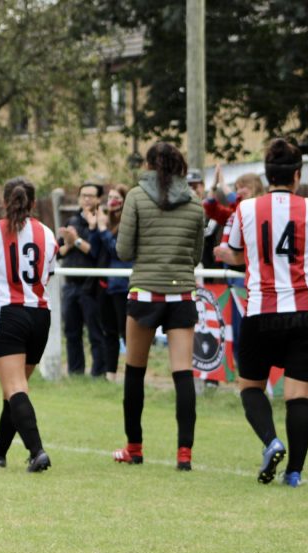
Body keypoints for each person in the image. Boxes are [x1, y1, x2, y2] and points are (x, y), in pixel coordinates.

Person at [215, 138, 308, 487]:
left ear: (268, 174)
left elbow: (231, 254)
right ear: (297, 176)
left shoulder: (245, 209)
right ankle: (294, 472)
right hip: (305, 311)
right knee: (298, 396)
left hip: (262, 310)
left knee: (250, 388)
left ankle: (271, 441)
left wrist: (224, 252)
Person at [113, 142, 204, 471]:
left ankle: (134, 448)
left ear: (150, 165)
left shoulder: (136, 197)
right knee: (182, 374)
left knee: (135, 372)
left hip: (145, 292)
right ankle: (184, 454)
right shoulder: (195, 202)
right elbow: (196, 256)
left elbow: (123, 251)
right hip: (181, 295)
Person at [0, 177, 57, 474]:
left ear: (3, 202)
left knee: (15, 387)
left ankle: (37, 451)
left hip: (6, 312)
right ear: (33, 203)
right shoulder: (47, 234)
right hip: (39, 315)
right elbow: (47, 276)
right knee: (15, 388)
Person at [57, 183, 107, 377]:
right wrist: (70, 243)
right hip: (70, 285)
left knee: (95, 333)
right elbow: (59, 252)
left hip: (91, 286)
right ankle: (75, 373)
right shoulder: (72, 221)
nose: (86, 199)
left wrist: (76, 240)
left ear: (98, 200)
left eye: (91, 196)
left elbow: (95, 252)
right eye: (83, 195)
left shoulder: (101, 222)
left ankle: (99, 373)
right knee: (71, 333)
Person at [90, 185, 131, 381]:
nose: (111, 201)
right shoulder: (105, 222)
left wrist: (103, 229)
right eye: (110, 197)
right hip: (105, 285)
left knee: (126, 332)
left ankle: (133, 373)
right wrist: (94, 227)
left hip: (122, 285)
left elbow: (118, 251)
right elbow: (95, 251)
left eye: (116, 198)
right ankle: (110, 374)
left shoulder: (128, 224)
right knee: (109, 332)